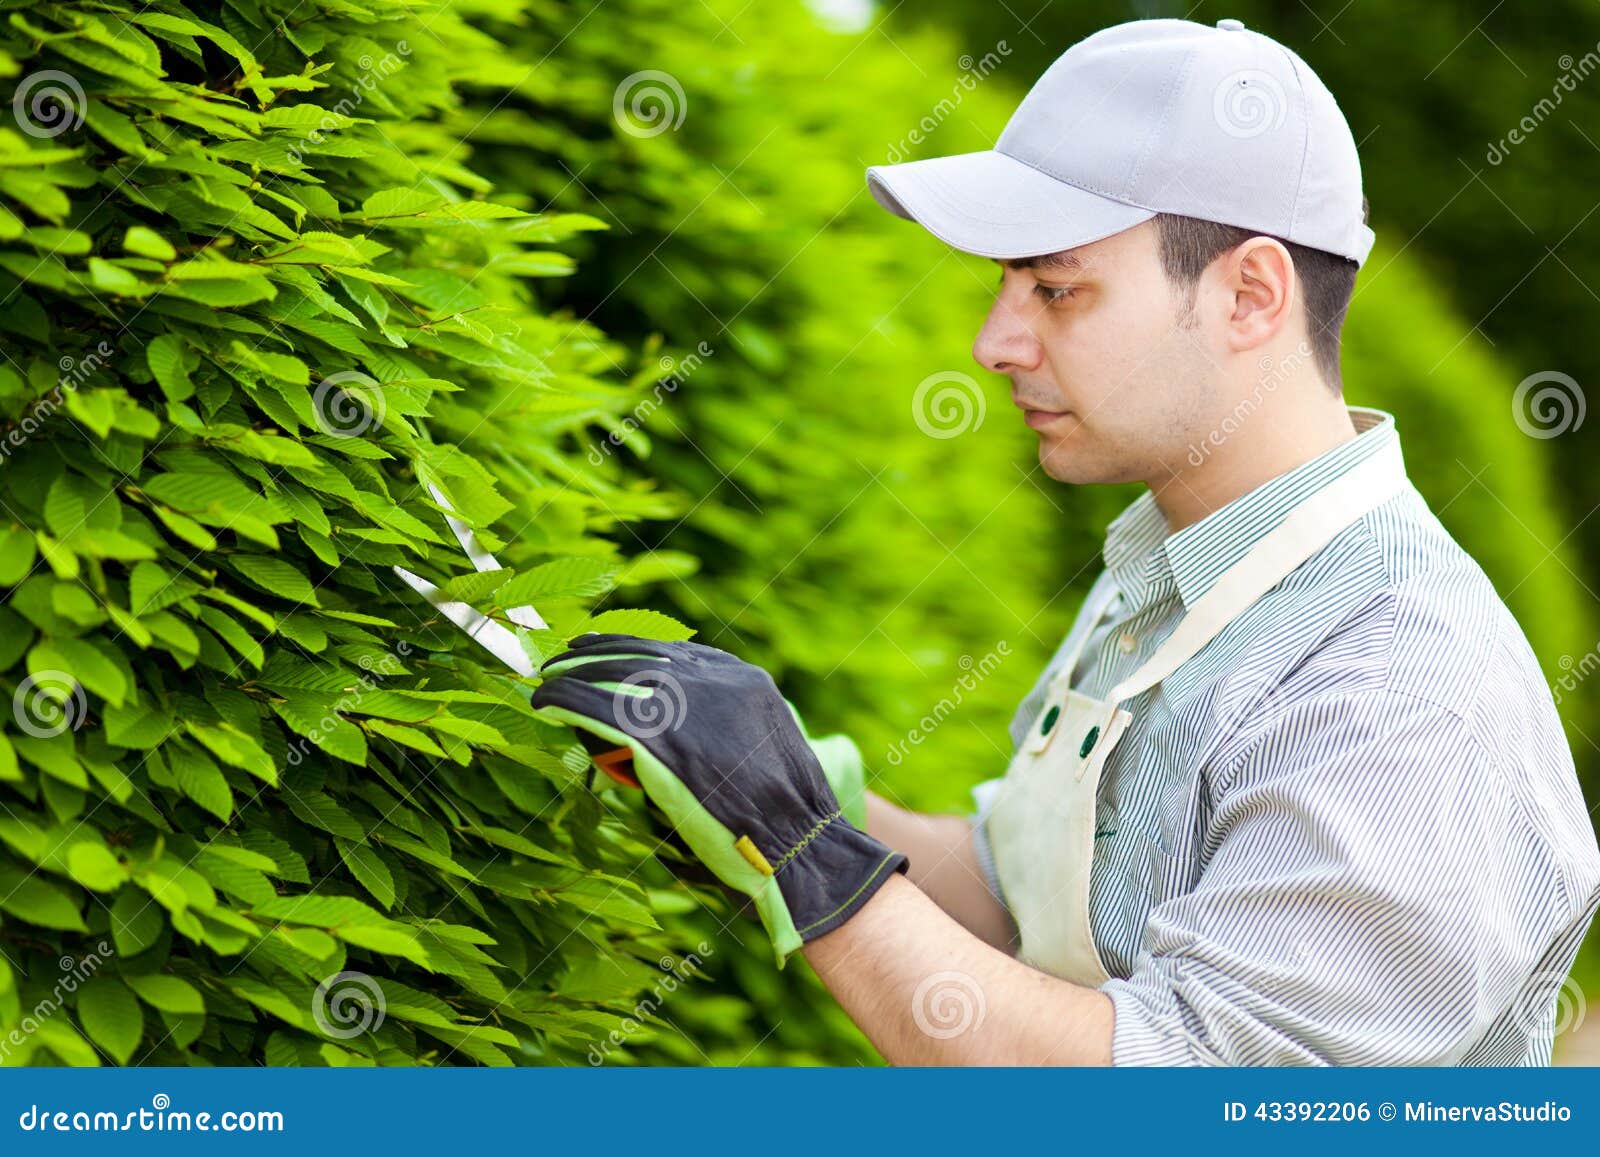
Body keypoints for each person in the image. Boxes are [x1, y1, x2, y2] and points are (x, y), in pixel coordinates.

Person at [531, 17, 1600, 1066]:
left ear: (1248, 294)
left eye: (1055, 286)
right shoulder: (1177, 568)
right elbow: (1026, 906)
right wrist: (792, 789)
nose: (992, 342)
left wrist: (809, 856)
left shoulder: (1396, 687)